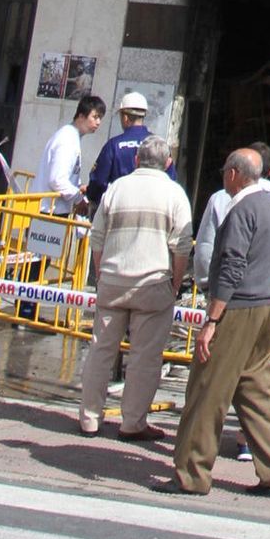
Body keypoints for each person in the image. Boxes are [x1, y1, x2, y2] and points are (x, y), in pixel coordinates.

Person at [169, 147, 270, 496]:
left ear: (234, 175)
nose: (224, 175)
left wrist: (212, 319)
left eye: (226, 170)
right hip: (267, 306)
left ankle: (192, 474)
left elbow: (232, 265)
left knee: (207, 389)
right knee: (257, 387)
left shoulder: (240, 210)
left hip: (237, 307)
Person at [78, 138, 192, 440]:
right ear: (168, 163)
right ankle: (132, 423)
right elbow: (181, 246)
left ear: (137, 161)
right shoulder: (174, 194)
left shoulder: (116, 188)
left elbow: (97, 235)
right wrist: (175, 284)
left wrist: (101, 273)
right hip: (153, 284)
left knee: (101, 350)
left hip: (113, 280)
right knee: (145, 357)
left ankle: (89, 418)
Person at [193, 140, 270, 291]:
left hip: (229, 290)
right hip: (268, 290)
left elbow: (206, 247)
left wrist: (207, 285)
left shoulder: (220, 199)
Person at [86, 91, 155, 211]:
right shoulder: (158, 145)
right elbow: (171, 179)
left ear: (125, 117)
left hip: (120, 209)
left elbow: (98, 182)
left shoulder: (114, 145)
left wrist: (92, 199)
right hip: (150, 211)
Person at [38, 96, 107, 216]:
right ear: (81, 116)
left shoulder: (73, 137)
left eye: (100, 118)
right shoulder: (67, 139)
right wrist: (78, 199)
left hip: (54, 209)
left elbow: (67, 174)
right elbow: (57, 180)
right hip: (49, 211)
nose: (98, 122)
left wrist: (79, 187)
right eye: (95, 117)